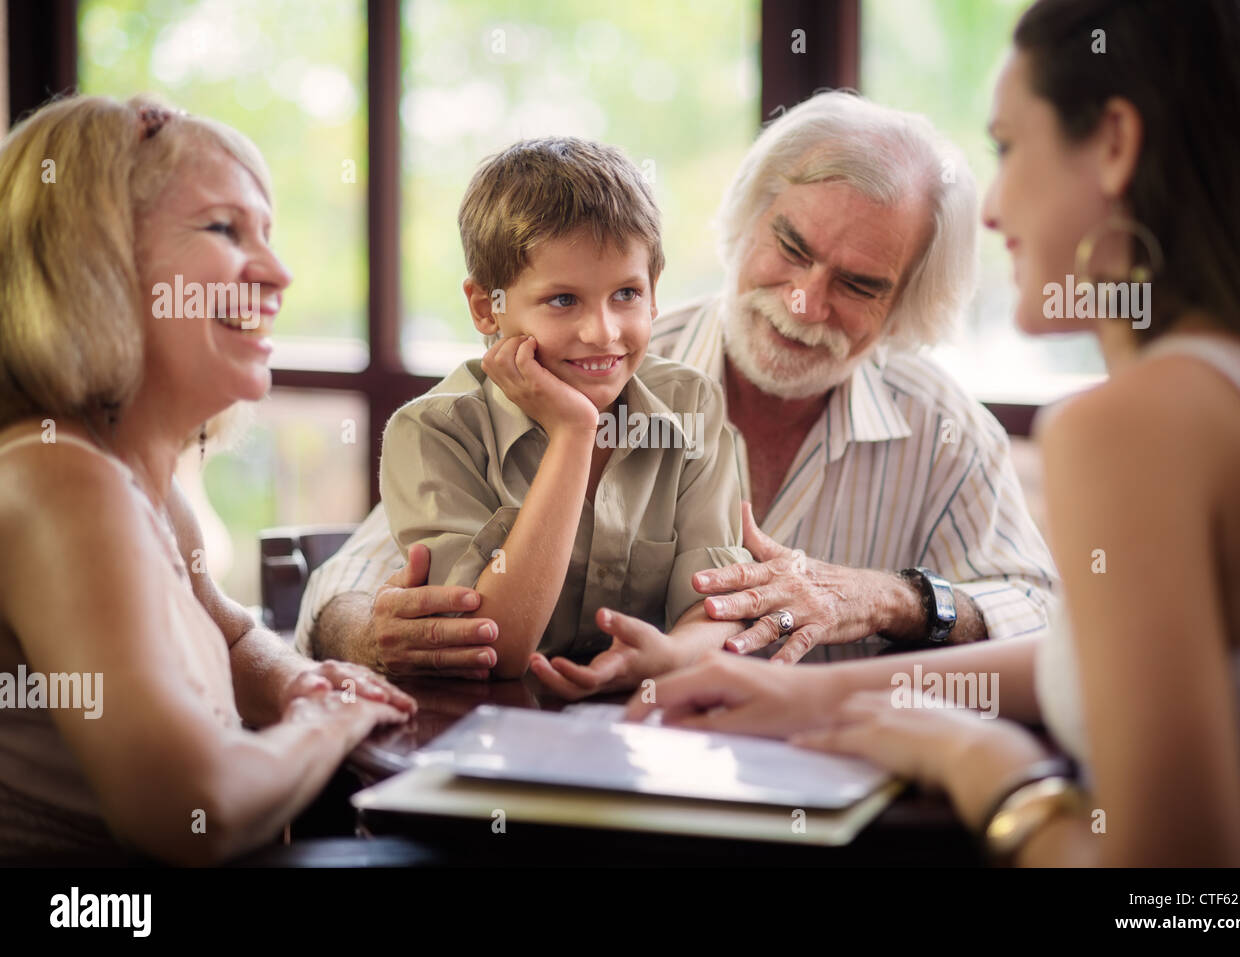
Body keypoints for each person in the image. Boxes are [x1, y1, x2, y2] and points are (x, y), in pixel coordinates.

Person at [630, 0, 1240, 866]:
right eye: (792, 247)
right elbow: (1077, 659)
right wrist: (806, 697)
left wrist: (980, 761)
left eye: (1008, 147)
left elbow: (1180, 906)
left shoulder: (1132, 427)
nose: (992, 210)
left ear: (1114, 145)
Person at [296, 92, 1058, 681]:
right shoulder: (586, 359)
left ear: (908, 302)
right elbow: (354, 582)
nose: (803, 302)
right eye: (790, 247)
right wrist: (370, 630)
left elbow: (1046, 617)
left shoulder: (941, 427)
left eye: (858, 283)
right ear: (747, 218)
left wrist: (889, 599)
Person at [0, 95, 414, 865]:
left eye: (269, 233)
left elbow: (228, 637)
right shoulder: (58, 480)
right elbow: (195, 807)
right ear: (97, 265)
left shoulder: (145, 487)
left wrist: (301, 684)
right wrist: (325, 727)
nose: (279, 273)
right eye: (224, 229)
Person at [379, 136, 750, 693]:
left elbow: (717, 609)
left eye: (626, 293)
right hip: (481, 734)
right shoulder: (433, 434)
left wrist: (668, 657)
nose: (602, 332)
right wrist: (573, 432)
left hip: (650, 724)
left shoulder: (690, 406)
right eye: (562, 301)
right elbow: (494, 645)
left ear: (654, 296)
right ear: (488, 308)